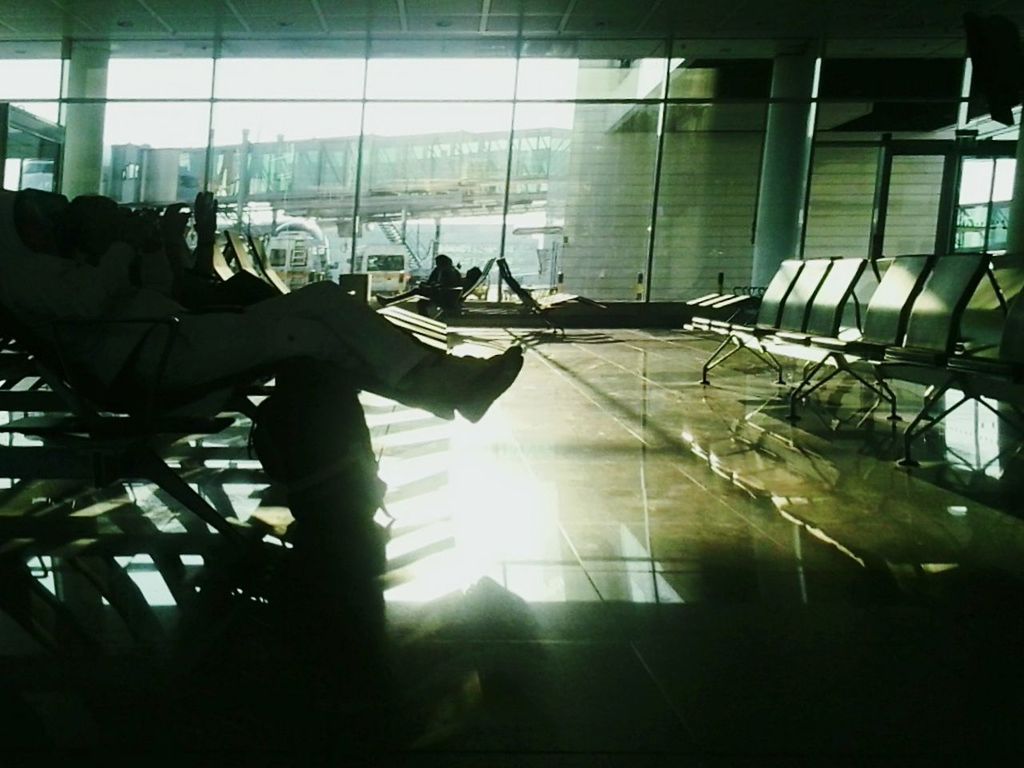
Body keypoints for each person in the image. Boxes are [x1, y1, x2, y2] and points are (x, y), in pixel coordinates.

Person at [0, 188, 523, 605]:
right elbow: (90, 303)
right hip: (152, 361)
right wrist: (117, 246)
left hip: (171, 340)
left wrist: (151, 246)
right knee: (312, 338)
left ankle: (445, 384)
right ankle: (443, 388)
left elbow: (161, 287)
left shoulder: (55, 264)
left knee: (321, 303)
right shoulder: (24, 274)